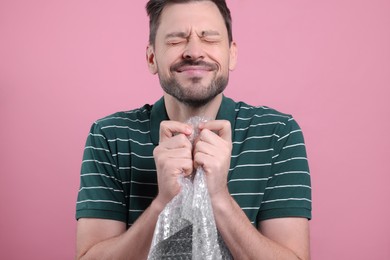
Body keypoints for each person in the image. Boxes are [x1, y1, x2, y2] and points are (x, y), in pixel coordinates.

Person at [76, 0, 312, 259]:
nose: (194, 51)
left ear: (231, 54)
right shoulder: (110, 136)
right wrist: (163, 202)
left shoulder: (277, 133)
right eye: (176, 40)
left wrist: (219, 197)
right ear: (152, 57)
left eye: (209, 39)